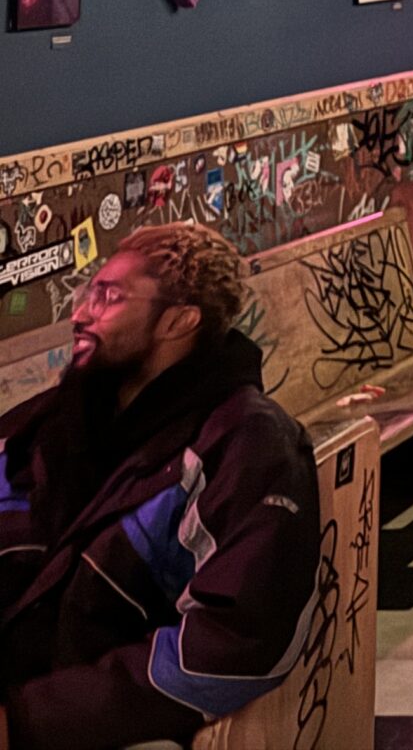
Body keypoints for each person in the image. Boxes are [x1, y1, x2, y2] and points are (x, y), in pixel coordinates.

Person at [0, 224, 322, 749]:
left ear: (178, 321)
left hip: (109, 724)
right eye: (88, 293)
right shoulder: (55, 424)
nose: (80, 314)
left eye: (109, 297)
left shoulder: (247, 445)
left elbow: (238, 640)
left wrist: (28, 719)